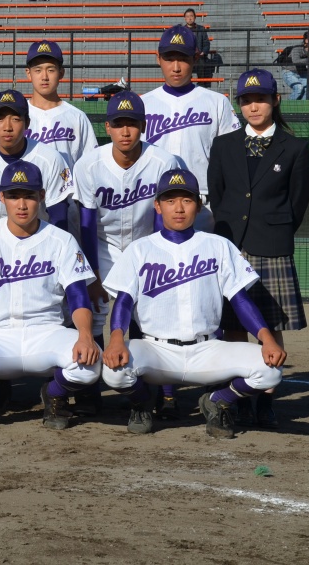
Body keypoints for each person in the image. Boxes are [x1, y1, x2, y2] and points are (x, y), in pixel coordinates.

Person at [100, 168, 287, 438]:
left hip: (207, 349)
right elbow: (124, 301)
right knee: (114, 372)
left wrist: (266, 337)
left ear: (198, 206)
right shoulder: (140, 249)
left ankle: (217, 401)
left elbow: (240, 298)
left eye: (186, 200)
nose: (179, 208)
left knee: (270, 372)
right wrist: (117, 336)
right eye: (170, 200)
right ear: (157, 206)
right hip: (156, 350)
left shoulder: (218, 246)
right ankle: (142, 404)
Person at [0, 159, 101, 430]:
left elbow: (78, 297)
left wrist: (85, 336)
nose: (21, 205)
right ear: (1, 197)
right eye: (13, 196)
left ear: (42, 197)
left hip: (48, 334)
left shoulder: (61, 240)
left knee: (90, 365)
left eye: (29, 196)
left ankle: (54, 395)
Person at [208, 69, 309, 428]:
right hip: (231, 246)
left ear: (275, 100)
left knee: (269, 326)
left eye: (260, 99)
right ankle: (236, 398)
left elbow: (297, 204)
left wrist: (271, 233)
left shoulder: (295, 149)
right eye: (247, 101)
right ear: (239, 105)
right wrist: (228, 238)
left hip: (272, 247)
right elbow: (218, 197)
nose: (253, 106)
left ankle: (266, 402)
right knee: (233, 329)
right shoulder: (223, 145)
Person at [72, 91, 183, 414]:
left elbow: (167, 219)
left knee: (151, 320)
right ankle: (89, 391)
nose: (125, 131)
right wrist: (91, 276)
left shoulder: (164, 163)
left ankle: (159, 392)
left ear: (143, 126)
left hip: (147, 247)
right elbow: (88, 226)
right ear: (107, 126)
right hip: (103, 248)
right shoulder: (89, 164)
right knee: (94, 318)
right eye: (119, 124)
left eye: (132, 124)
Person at [140, 24, 240, 233]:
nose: (176, 67)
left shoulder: (216, 102)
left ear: (195, 58)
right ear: (158, 58)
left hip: (203, 207)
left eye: (183, 59)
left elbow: (233, 159)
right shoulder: (143, 104)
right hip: (152, 206)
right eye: (169, 58)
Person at [0, 89, 74, 236]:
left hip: (37, 235)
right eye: (0, 118)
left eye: (16, 119)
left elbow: (59, 220)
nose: (7, 127)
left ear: (27, 123)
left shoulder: (50, 160)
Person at [23, 40, 97, 173]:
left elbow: (90, 165)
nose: (44, 77)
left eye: (51, 70)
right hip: (25, 192)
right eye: (38, 70)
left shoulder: (77, 117)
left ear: (61, 73)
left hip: (67, 193)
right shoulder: (17, 116)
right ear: (29, 73)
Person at [282, 29, 309, 101]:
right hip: (289, 72)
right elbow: (296, 61)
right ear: (306, 40)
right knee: (298, 88)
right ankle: (288, 107)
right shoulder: (297, 49)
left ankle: (302, 109)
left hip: (302, 72)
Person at [183, 9, 213, 88]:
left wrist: (203, 52)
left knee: (201, 63)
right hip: (187, 56)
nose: (189, 18)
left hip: (199, 56)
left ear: (195, 17)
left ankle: (201, 86)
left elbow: (206, 43)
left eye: (191, 16)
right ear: (185, 18)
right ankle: (187, 85)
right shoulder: (182, 30)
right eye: (187, 16)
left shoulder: (201, 29)